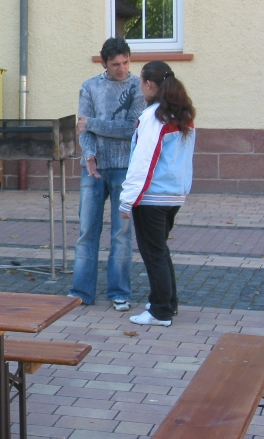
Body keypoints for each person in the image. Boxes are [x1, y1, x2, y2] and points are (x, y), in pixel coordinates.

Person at [69, 37, 144, 309]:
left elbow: (131, 129)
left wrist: (93, 123)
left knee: (121, 234)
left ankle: (119, 292)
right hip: (93, 168)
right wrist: (89, 154)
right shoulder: (90, 87)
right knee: (87, 231)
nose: (122, 69)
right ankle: (81, 292)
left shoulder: (138, 87)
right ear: (104, 63)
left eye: (126, 62)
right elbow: (83, 129)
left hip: (125, 168)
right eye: (115, 64)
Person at [120, 61, 196, 327]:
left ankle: (160, 311)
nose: (140, 87)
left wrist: (128, 199)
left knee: (153, 253)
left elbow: (144, 160)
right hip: (173, 195)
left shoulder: (154, 116)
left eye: (141, 82)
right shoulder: (182, 115)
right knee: (160, 251)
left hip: (152, 197)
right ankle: (167, 304)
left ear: (150, 84)